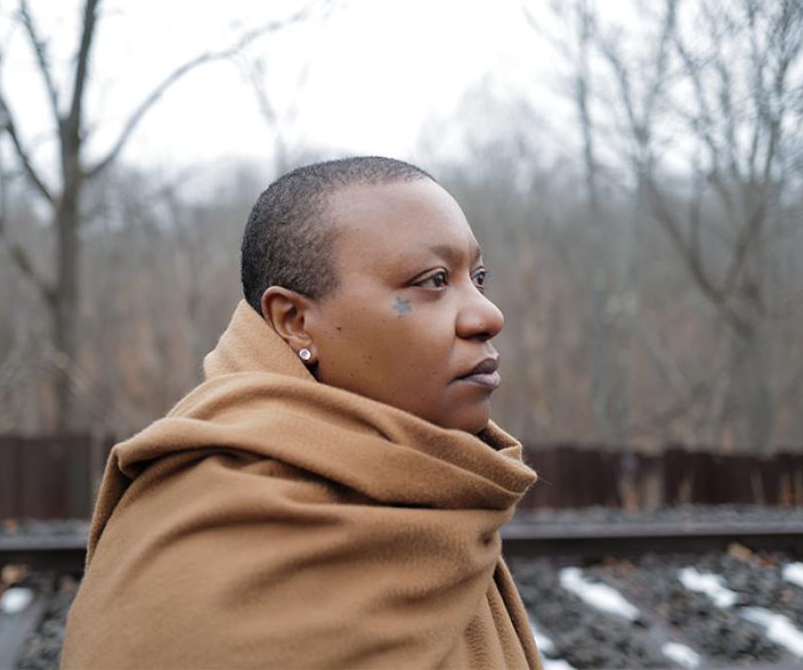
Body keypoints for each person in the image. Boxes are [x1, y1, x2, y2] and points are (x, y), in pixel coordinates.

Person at [62, 157, 541, 669]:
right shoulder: (208, 528)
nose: (488, 316)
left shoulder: (443, 485)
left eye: (479, 277)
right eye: (433, 280)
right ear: (294, 321)